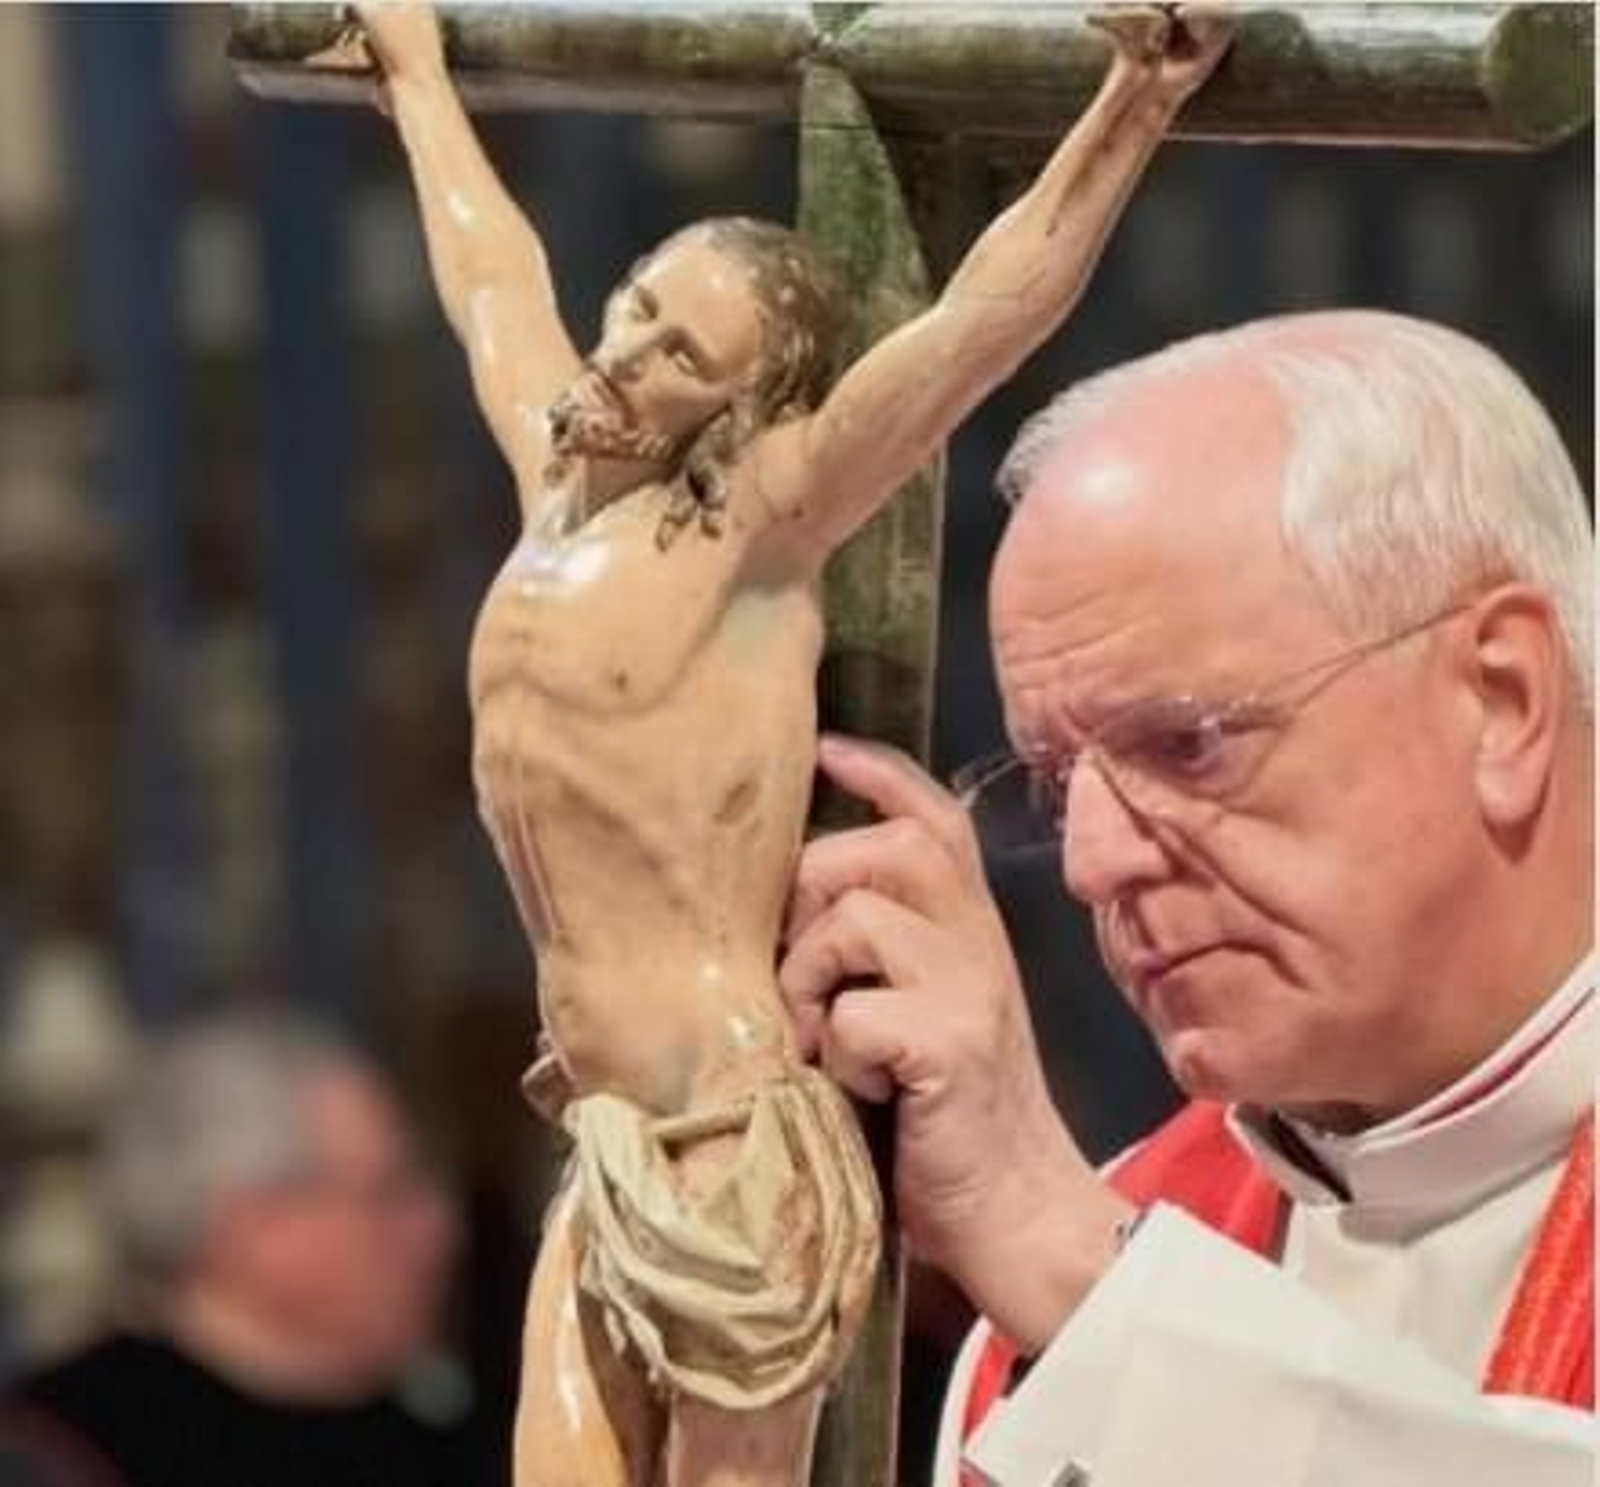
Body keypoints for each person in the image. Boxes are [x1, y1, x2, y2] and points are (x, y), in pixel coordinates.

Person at [353, 4, 1232, 1483]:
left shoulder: (756, 535)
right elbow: (492, 275)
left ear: (746, 402)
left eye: (677, 349)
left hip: (727, 1142)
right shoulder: (557, 483)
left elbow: (981, 323)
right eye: (636, 307)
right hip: (608, 1132)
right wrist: (418, 74)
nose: (625, 353)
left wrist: (1136, 101)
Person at [777, 308, 1594, 1484]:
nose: (1090, 860)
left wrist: (1070, 1265)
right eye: (1056, 779)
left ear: (1501, 697)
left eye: (1190, 740)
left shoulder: (1080, 1272)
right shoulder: (1127, 1240)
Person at [2, 1012, 482, 1487]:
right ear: (251, 1226)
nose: (438, 1228)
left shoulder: (449, 1443)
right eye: (388, 1194)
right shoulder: (64, 1450)